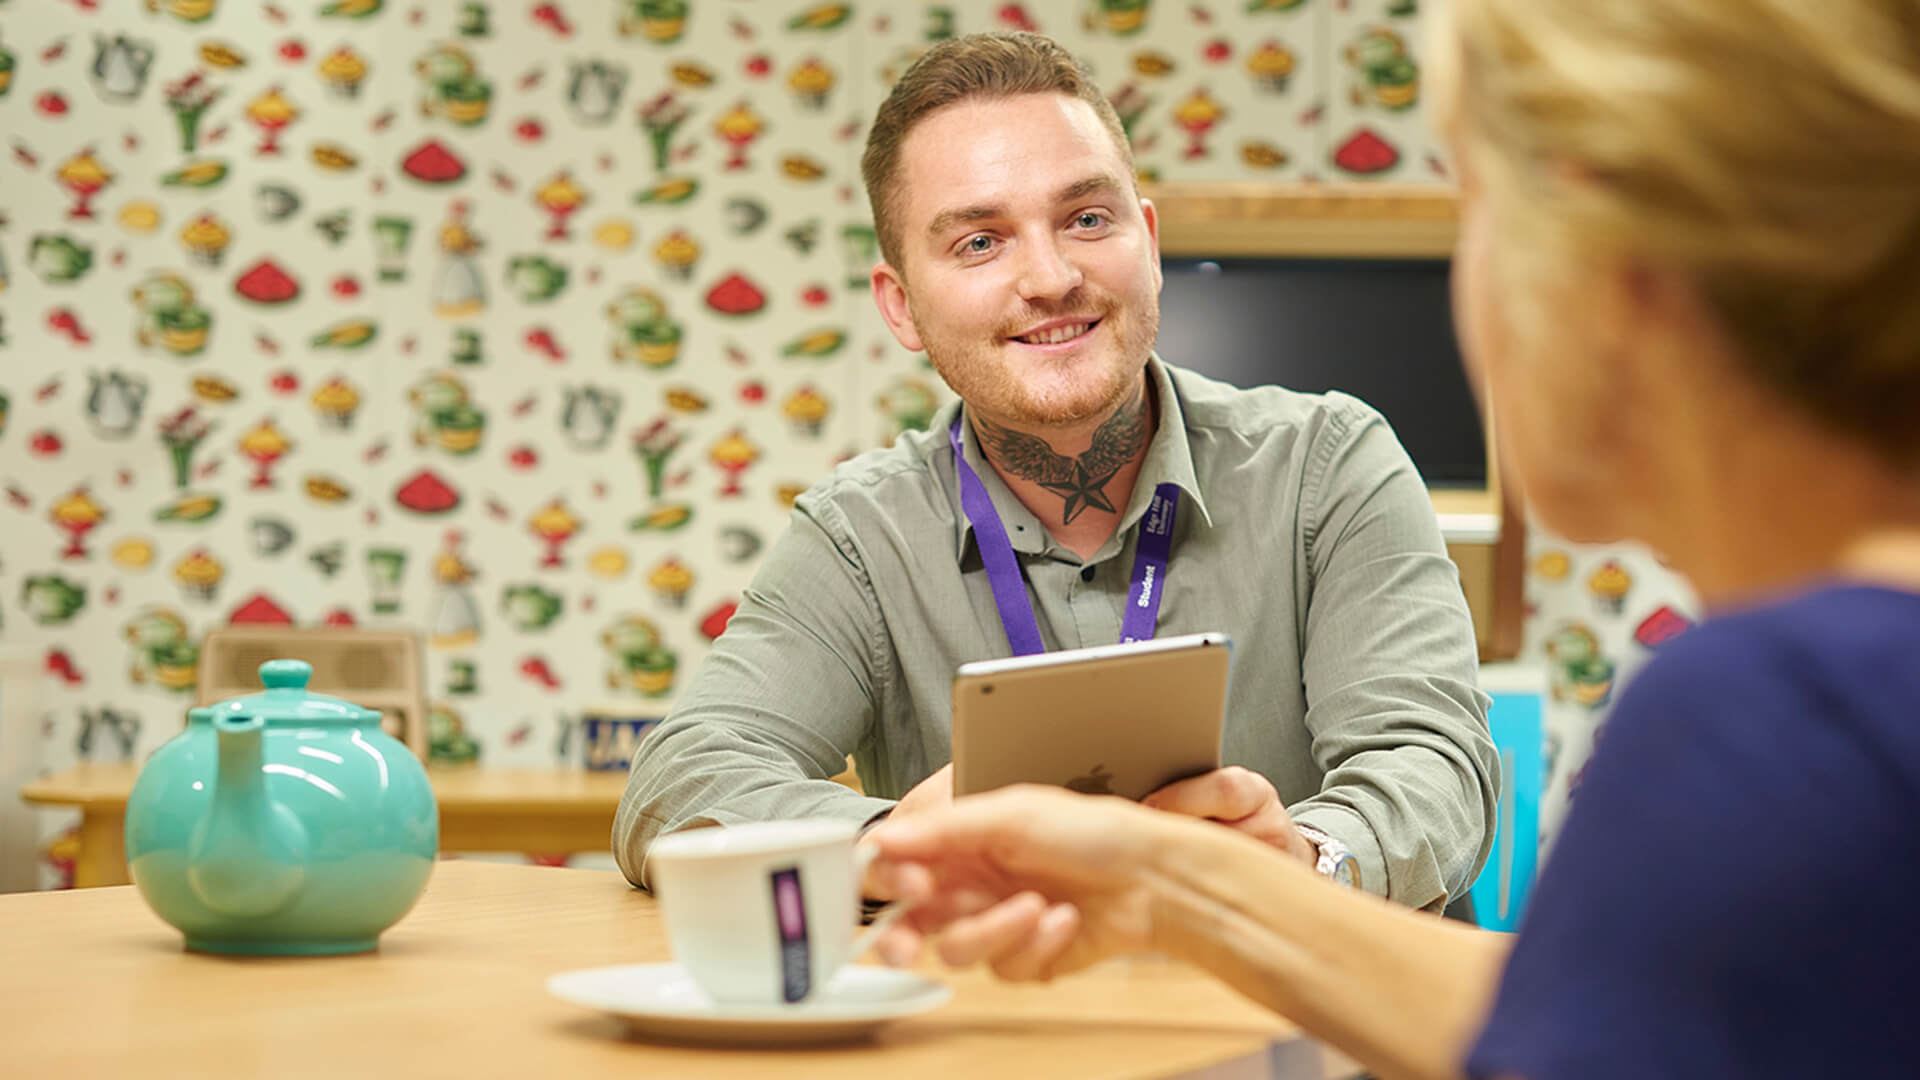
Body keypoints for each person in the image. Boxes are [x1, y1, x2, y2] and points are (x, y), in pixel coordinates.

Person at [863, 1, 1920, 1076]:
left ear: (1616, 273)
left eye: (1478, 212)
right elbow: (1583, 1012)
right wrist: (1173, 883)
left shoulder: (1781, 717)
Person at [614, 32, 1499, 912]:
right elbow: (684, 778)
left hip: (1295, 1020)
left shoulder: (1331, 466)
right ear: (902, 305)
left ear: (1146, 242)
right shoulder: (858, 536)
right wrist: (882, 848)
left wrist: (1308, 858)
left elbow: (1434, 764)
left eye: (1085, 219)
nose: (1050, 276)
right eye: (979, 242)